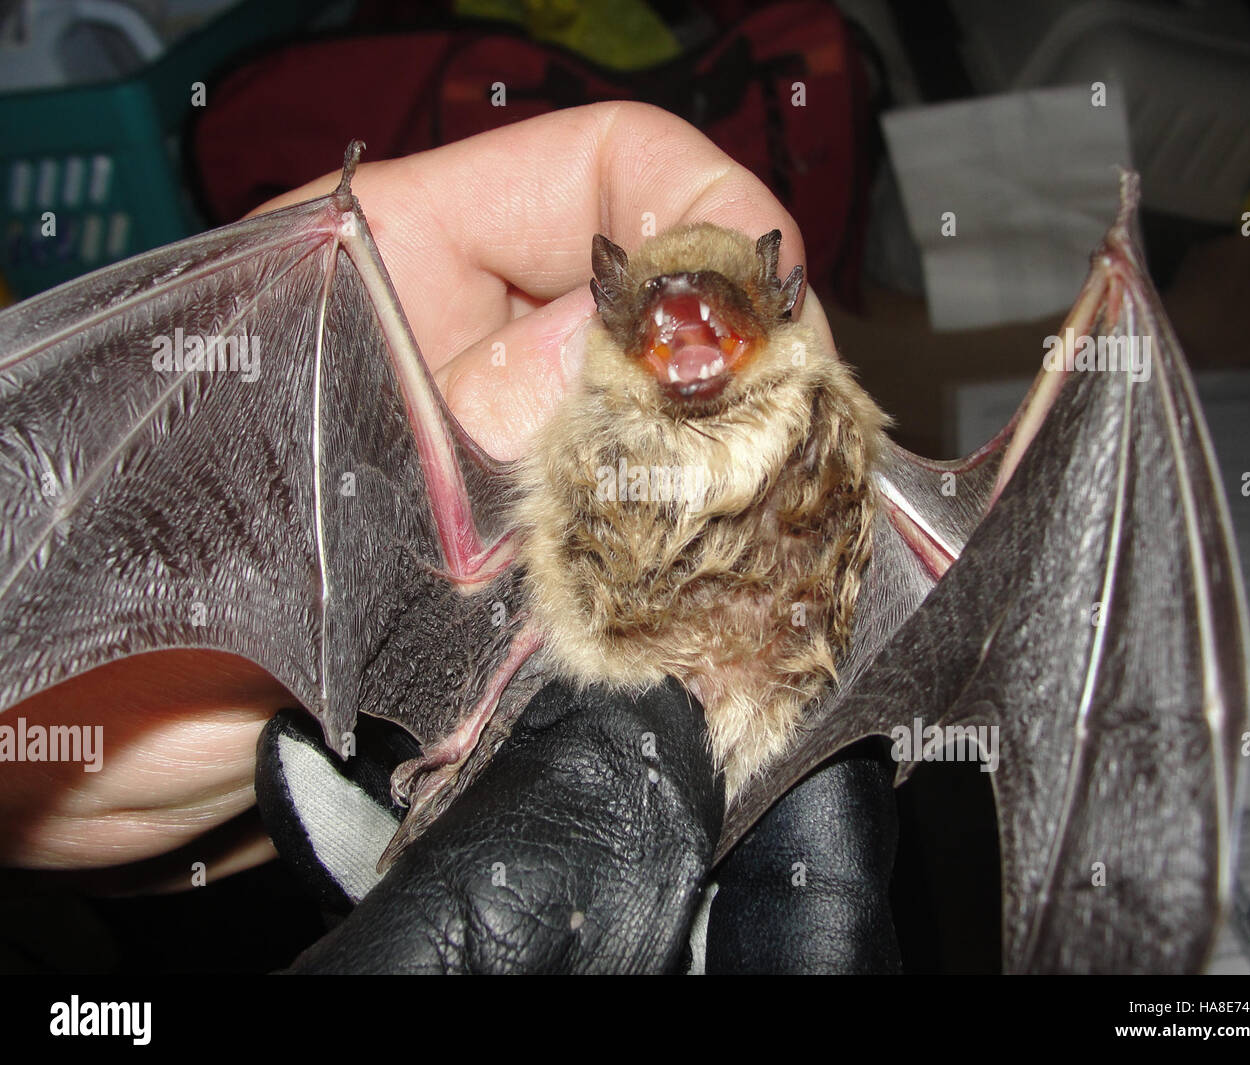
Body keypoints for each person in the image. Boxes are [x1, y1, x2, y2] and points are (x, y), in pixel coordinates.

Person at [0, 103, 898, 972]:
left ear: (780, 303)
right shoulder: (576, 423)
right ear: (603, 317)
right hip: (584, 670)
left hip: (772, 706)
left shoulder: (828, 425)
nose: (689, 334)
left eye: (724, 315)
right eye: (655, 318)